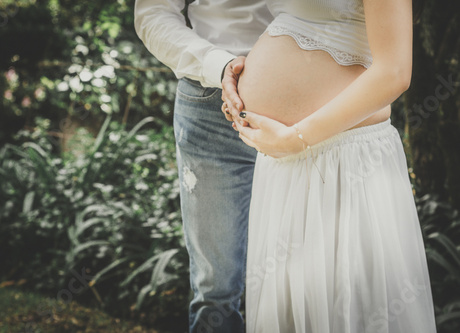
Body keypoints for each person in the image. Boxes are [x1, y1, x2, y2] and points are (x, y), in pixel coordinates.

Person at [221, 0, 437, 331]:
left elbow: (394, 72)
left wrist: (297, 138)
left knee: (346, 307)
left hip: (343, 163)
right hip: (283, 165)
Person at [134, 1, 273, 332]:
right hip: (213, 108)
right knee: (217, 290)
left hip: (317, 107)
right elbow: (152, 13)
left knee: (306, 280)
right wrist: (218, 65)